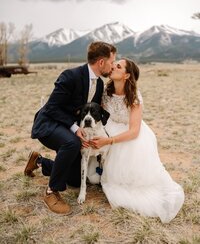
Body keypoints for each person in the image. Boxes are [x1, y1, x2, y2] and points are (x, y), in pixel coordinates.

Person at [24, 41, 116, 214]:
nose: (112, 66)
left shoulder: (100, 84)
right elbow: (51, 107)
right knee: (72, 142)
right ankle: (51, 191)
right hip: (50, 123)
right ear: (101, 62)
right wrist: (75, 128)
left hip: (69, 128)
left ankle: (38, 161)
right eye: (111, 62)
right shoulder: (70, 75)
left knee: (73, 180)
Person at [89, 58, 184, 223]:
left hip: (128, 134)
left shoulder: (134, 97)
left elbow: (134, 132)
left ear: (126, 75)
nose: (113, 67)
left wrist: (108, 141)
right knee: (91, 177)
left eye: (118, 66)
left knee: (122, 181)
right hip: (109, 128)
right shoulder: (106, 90)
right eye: (114, 64)